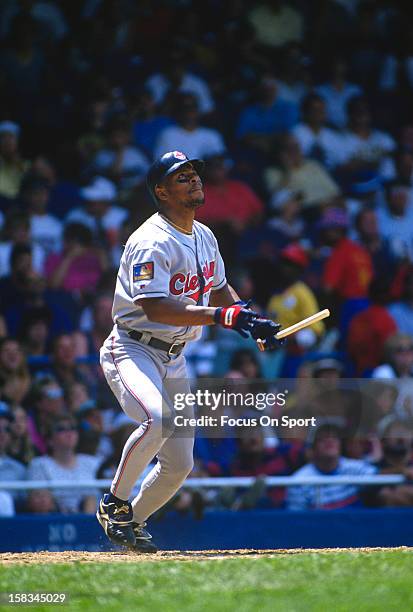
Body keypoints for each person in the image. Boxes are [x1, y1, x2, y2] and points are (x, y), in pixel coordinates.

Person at [96, 150, 282, 552]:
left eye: (194, 173)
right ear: (161, 191)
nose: (194, 179)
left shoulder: (203, 234)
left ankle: (132, 524)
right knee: (157, 419)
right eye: (181, 177)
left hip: (174, 356)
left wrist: (249, 319)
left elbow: (219, 290)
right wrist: (222, 317)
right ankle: (114, 503)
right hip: (133, 347)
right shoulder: (149, 241)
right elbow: (155, 306)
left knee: (180, 464)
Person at [287, 422, 376, 510]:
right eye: (322, 438)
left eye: (334, 437)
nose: (329, 440)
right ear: (312, 448)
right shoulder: (298, 480)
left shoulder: (354, 467)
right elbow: (296, 520)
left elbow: (382, 479)